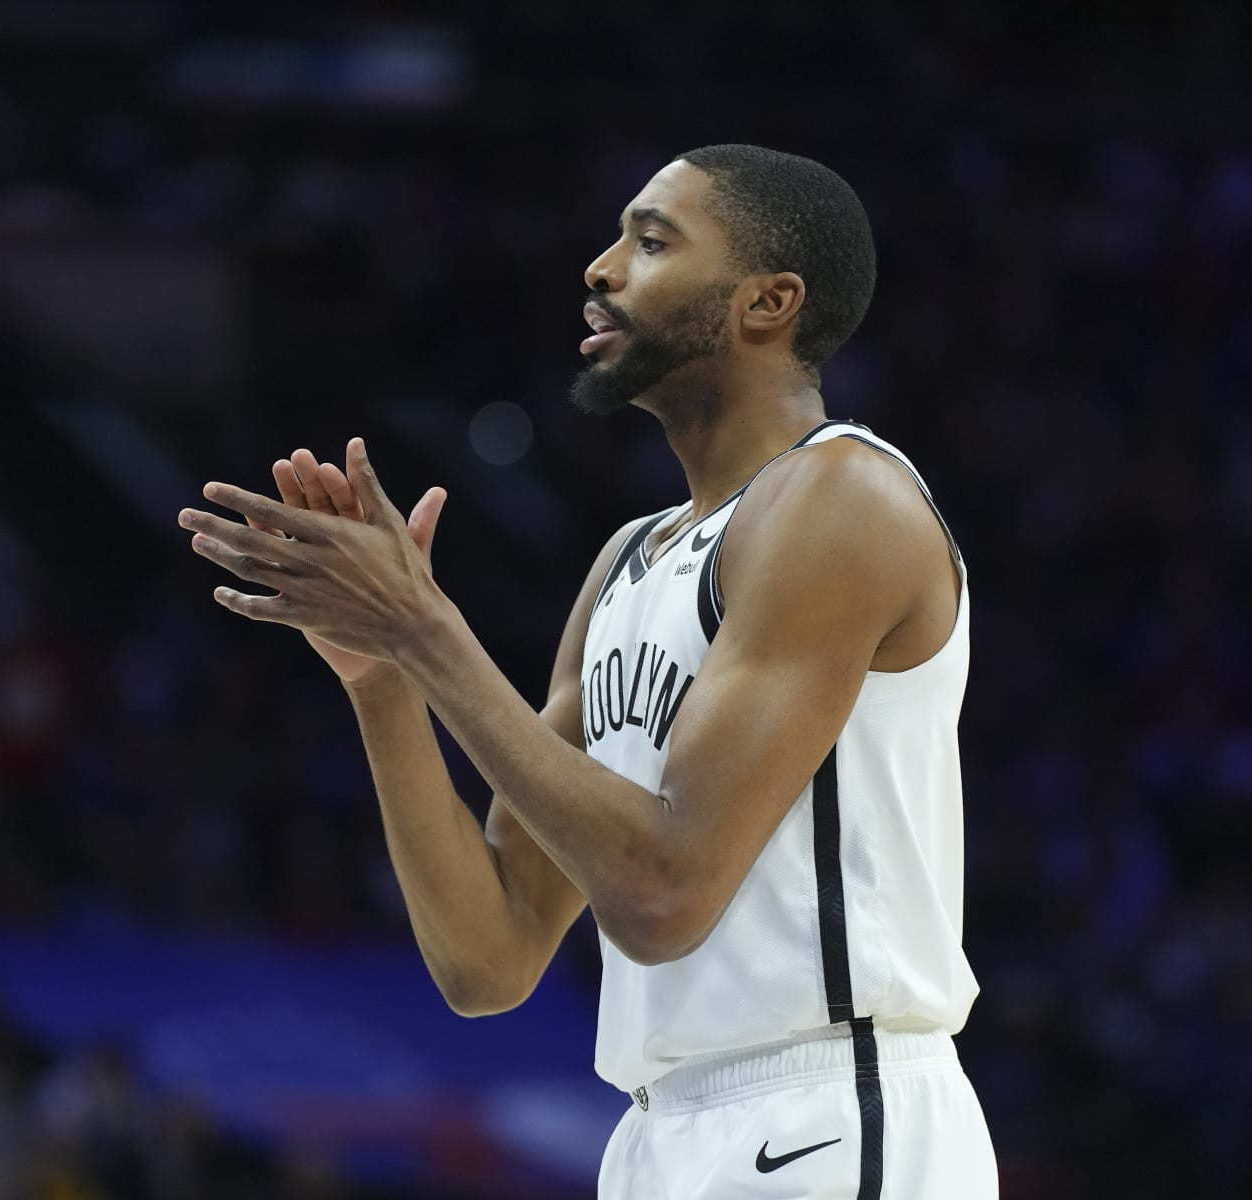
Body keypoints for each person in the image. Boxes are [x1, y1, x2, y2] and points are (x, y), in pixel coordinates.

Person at [178, 144, 997, 1198]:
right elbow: (490, 957)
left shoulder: (843, 498)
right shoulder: (630, 561)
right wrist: (383, 680)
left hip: (831, 1110)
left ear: (769, 302)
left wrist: (426, 630)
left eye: (651, 242)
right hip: (659, 1130)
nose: (601, 268)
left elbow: (664, 893)